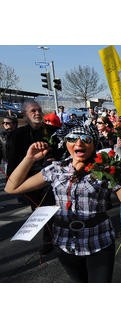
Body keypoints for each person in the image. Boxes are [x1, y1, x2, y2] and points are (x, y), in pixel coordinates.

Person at [4, 118, 121, 282]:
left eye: (86, 139)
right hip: (65, 243)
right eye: (72, 138)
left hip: (99, 242)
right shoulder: (56, 169)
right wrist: (29, 158)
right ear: (65, 142)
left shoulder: (106, 169)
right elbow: (11, 188)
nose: (78, 143)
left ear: (94, 144)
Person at [7, 100, 63, 255]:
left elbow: (64, 151)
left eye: (39, 110)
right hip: (31, 179)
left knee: (56, 208)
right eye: (33, 111)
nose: (37, 113)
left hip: (53, 178)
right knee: (40, 211)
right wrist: (14, 182)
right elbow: (12, 160)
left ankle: (54, 238)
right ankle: (49, 239)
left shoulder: (54, 131)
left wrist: (55, 158)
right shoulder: (17, 135)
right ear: (25, 115)